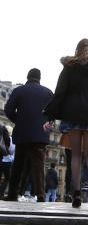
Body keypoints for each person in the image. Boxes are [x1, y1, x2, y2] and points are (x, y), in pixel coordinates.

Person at [44, 39, 88, 208]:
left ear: (77, 50)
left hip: (73, 113)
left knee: (75, 155)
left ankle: (76, 194)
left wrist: (50, 115)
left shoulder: (69, 67)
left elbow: (59, 93)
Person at [3, 69, 54, 202]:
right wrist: (46, 124)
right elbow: (54, 113)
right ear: (39, 78)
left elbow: (8, 110)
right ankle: (41, 195)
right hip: (40, 135)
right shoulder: (48, 92)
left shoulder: (19, 91)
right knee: (39, 165)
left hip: (23, 133)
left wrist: (18, 120)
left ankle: (12, 194)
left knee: (18, 165)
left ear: (27, 77)